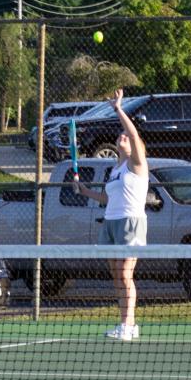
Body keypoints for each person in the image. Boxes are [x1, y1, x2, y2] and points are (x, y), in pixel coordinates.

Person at [72, 89, 149, 341]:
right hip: (111, 221)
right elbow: (108, 199)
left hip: (131, 222)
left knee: (126, 273)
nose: (123, 137)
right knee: (116, 274)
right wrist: (85, 192)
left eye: (126, 136)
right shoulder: (115, 169)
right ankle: (125, 323)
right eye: (121, 136)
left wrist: (118, 109)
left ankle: (129, 325)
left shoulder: (137, 164)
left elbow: (135, 133)